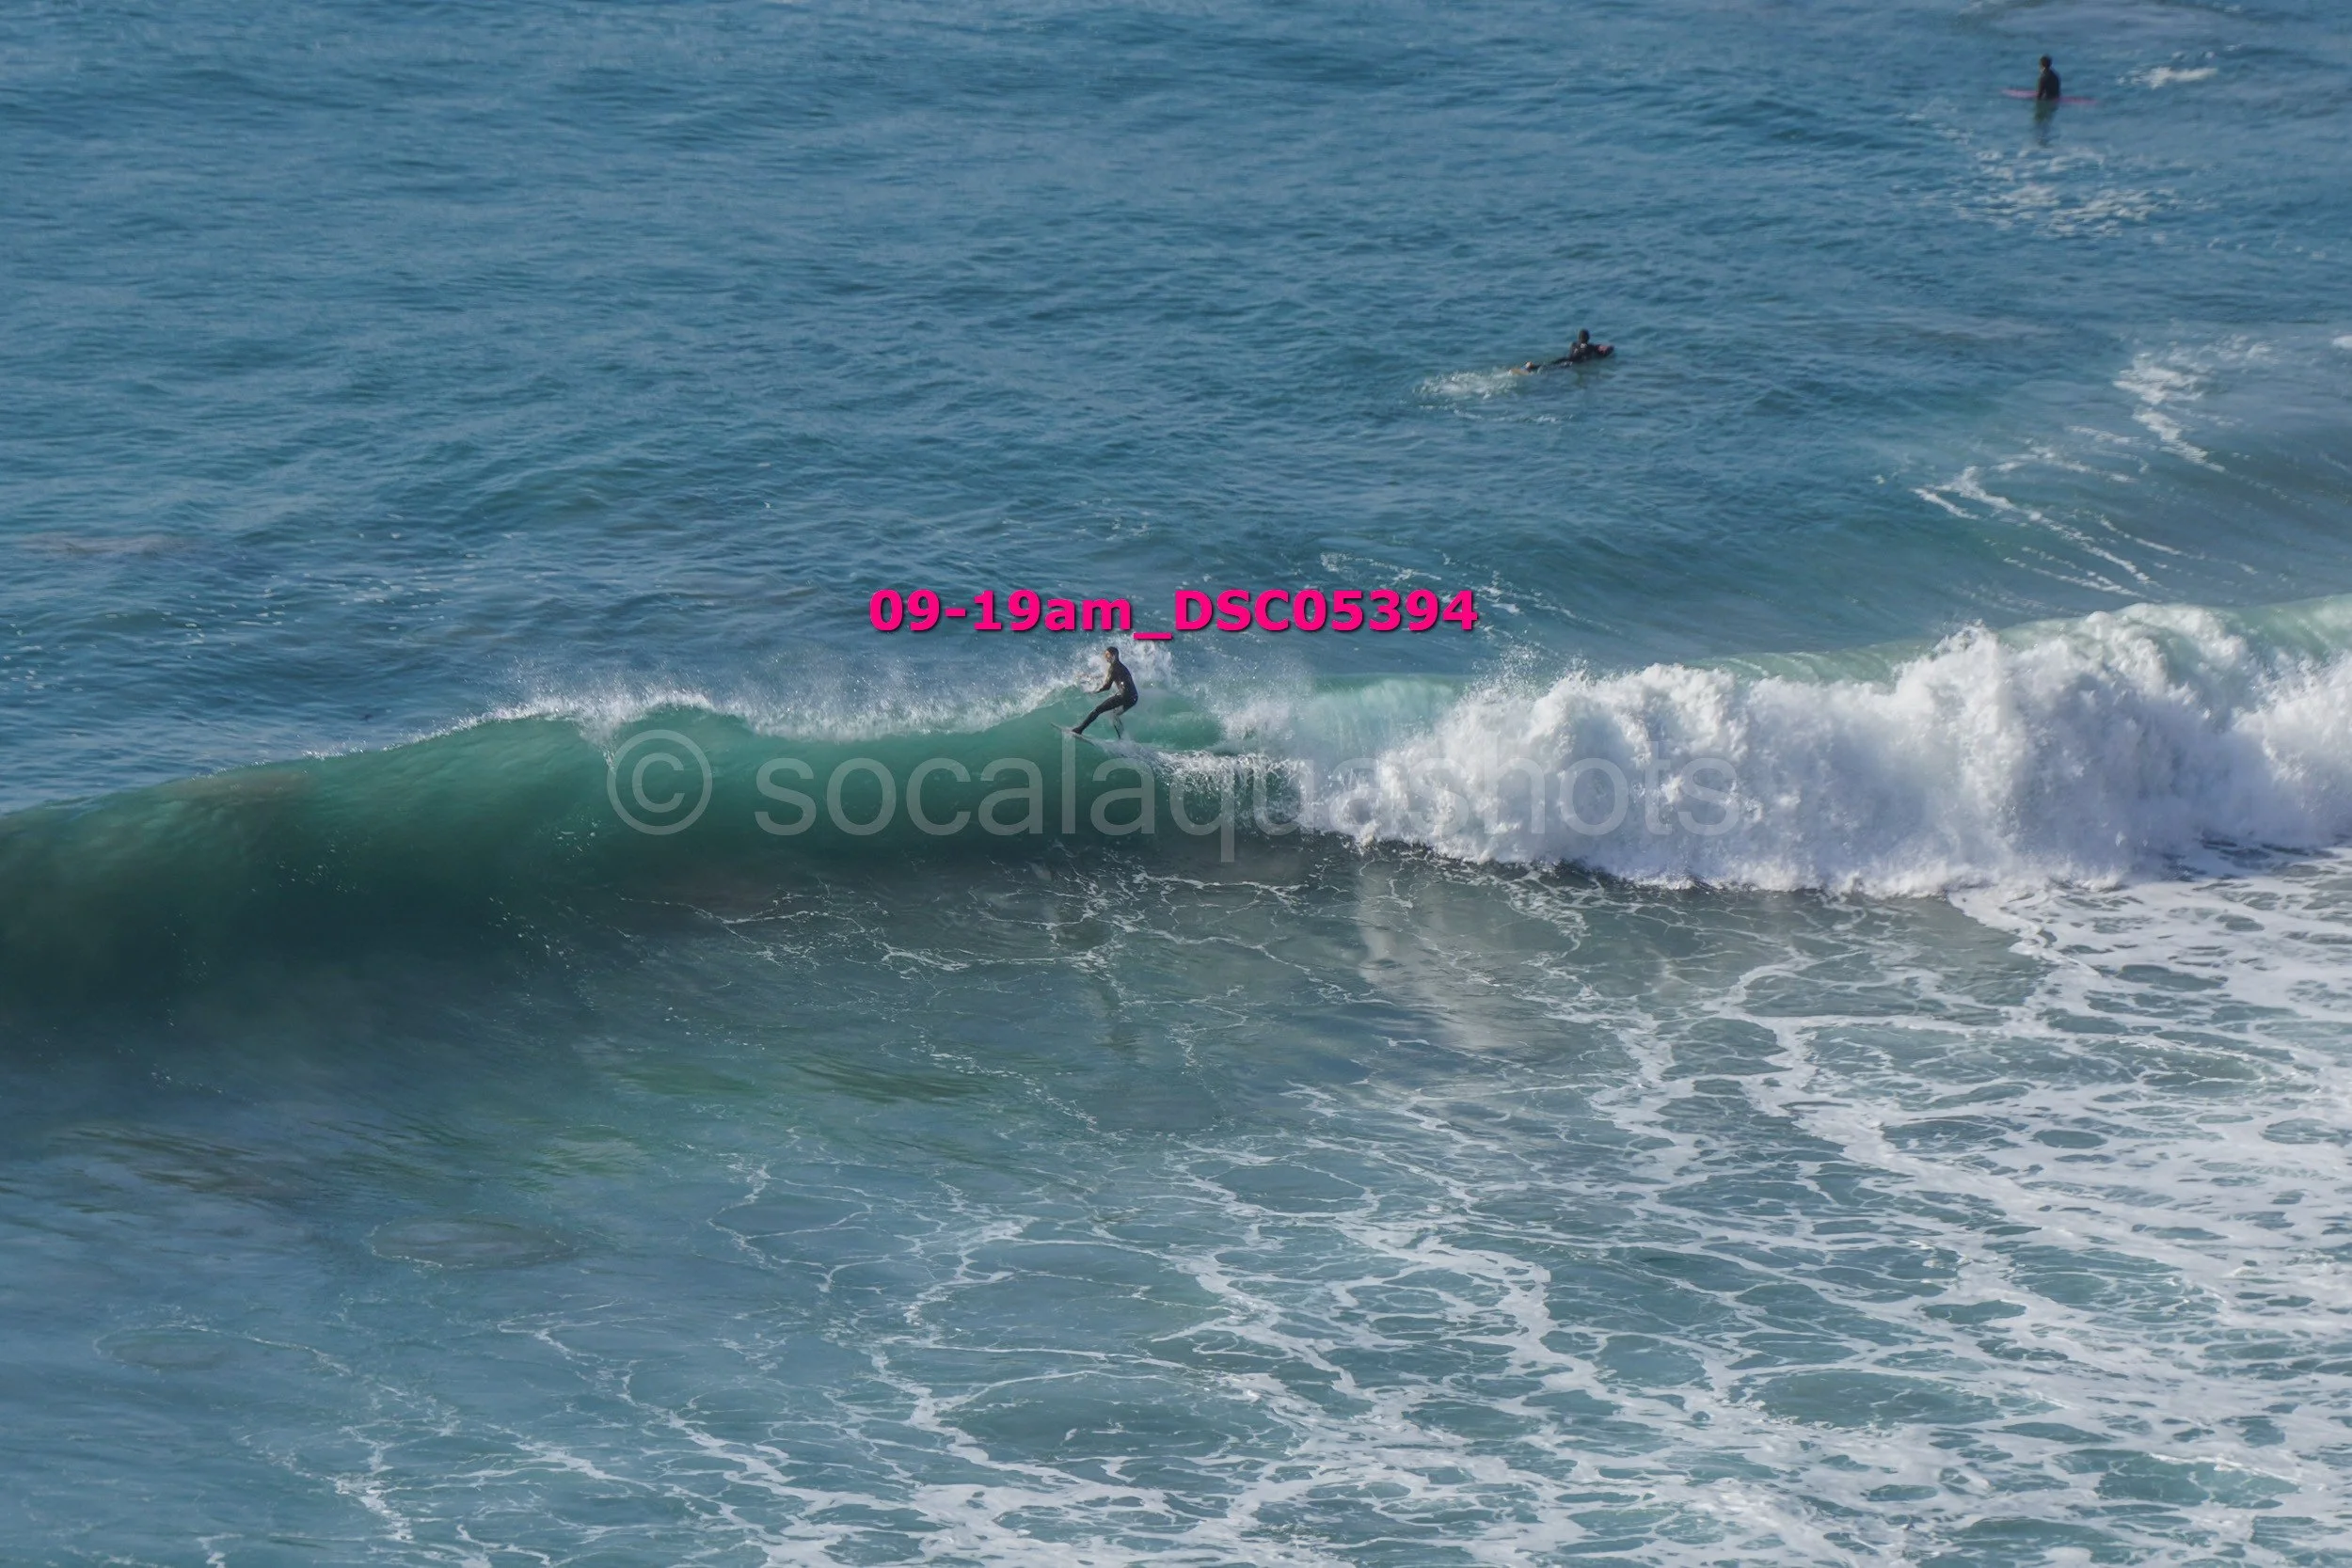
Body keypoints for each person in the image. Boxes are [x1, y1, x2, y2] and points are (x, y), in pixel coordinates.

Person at [1073, 645, 1138, 736]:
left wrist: (1094, 692)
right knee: (1115, 715)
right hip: (1134, 698)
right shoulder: (1122, 667)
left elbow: (1107, 686)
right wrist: (1090, 677)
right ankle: (1123, 738)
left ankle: (1079, 730)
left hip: (1124, 696)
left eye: (1107, 655)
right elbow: (1109, 679)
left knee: (1098, 710)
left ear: (1113, 655)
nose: (1105, 657)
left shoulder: (1113, 668)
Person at [1514, 329, 1615, 372]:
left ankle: (1530, 366)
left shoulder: (1573, 344)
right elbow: (1604, 354)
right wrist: (1610, 347)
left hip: (1565, 358)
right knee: (1550, 369)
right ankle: (1532, 367)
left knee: (1550, 364)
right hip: (1570, 363)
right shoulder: (1591, 347)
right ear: (1588, 338)